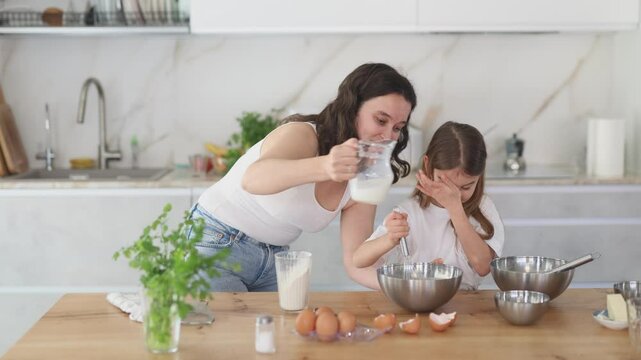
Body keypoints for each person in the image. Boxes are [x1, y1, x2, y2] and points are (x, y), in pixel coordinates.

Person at [187, 63, 417, 291]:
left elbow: (355, 261)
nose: (388, 136)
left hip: (273, 259)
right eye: (380, 120)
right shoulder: (304, 135)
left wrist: (410, 288)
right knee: (226, 328)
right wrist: (326, 165)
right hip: (218, 240)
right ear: (353, 108)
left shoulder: (366, 176)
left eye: (397, 128)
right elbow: (253, 179)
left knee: (278, 328)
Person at [352, 121, 505, 290]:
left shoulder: (483, 208)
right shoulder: (409, 211)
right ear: (428, 164)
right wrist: (389, 239)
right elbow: (359, 260)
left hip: (465, 305)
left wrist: (454, 208)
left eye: (466, 187)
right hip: (417, 301)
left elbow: (483, 267)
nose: (453, 194)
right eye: (444, 182)